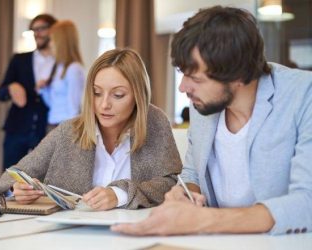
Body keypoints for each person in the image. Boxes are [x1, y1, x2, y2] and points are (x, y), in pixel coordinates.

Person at [112, 6, 312, 235]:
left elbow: (307, 202)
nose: (183, 87)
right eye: (183, 74)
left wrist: (203, 219)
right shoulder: (203, 106)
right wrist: (183, 193)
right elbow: (192, 173)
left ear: (238, 74)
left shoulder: (303, 95)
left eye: (195, 78)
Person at [0, 48, 181, 210]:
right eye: (97, 93)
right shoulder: (69, 130)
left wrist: (119, 194)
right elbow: (15, 173)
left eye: (118, 95)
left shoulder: (155, 122)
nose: (104, 104)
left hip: (134, 234)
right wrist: (16, 189)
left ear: (138, 96)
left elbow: (172, 183)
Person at [0, 14, 57, 170]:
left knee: (42, 179)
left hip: (46, 131)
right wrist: (11, 88)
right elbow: (1, 92)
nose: (37, 33)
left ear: (54, 30)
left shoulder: (62, 64)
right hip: (17, 128)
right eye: (34, 30)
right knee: (10, 177)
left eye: (42, 28)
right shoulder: (19, 59)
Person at [37, 20, 85, 133]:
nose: (50, 44)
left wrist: (69, 134)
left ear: (62, 42)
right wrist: (43, 89)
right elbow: (53, 103)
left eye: (53, 40)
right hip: (52, 124)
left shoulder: (74, 69)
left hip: (65, 127)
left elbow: (74, 107)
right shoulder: (58, 67)